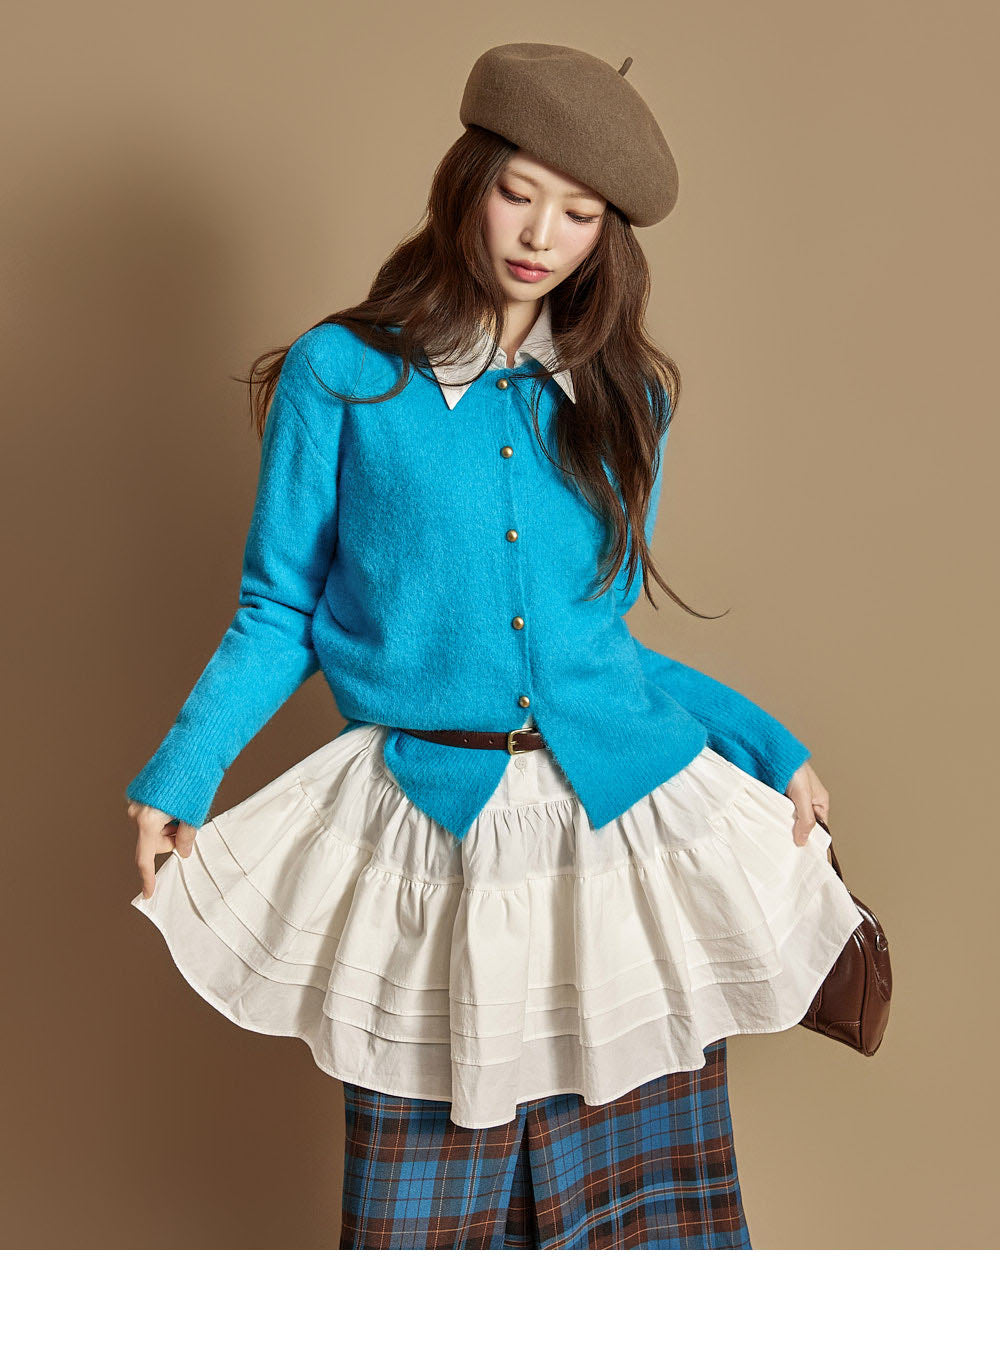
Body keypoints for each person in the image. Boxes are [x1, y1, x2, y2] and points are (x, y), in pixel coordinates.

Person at [125, 42, 863, 1249]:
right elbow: (277, 609)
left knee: (640, 1223)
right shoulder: (341, 375)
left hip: (617, 828)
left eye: (579, 213)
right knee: (426, 1219)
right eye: (519, 192)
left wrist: (767, 745)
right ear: (466, 182)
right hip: (434, 826)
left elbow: (595, 652)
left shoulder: (629, 398)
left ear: (607, 238)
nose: (539, 235)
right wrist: (181, 773)